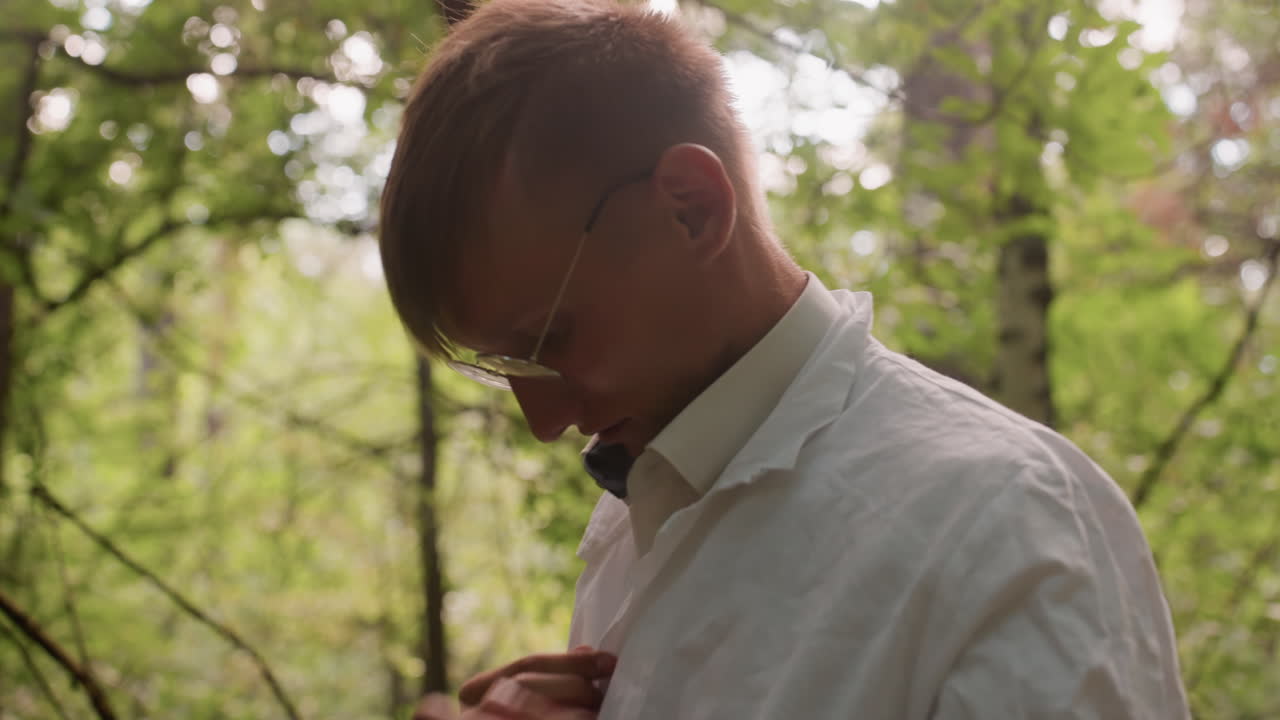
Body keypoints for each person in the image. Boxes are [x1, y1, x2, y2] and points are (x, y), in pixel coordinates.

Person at [379, 0, 1191, 718]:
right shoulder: (636, 521)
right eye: (505, 369)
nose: (545, 421)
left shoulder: (1007, 528)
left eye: (550, 339)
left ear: (691, 210)